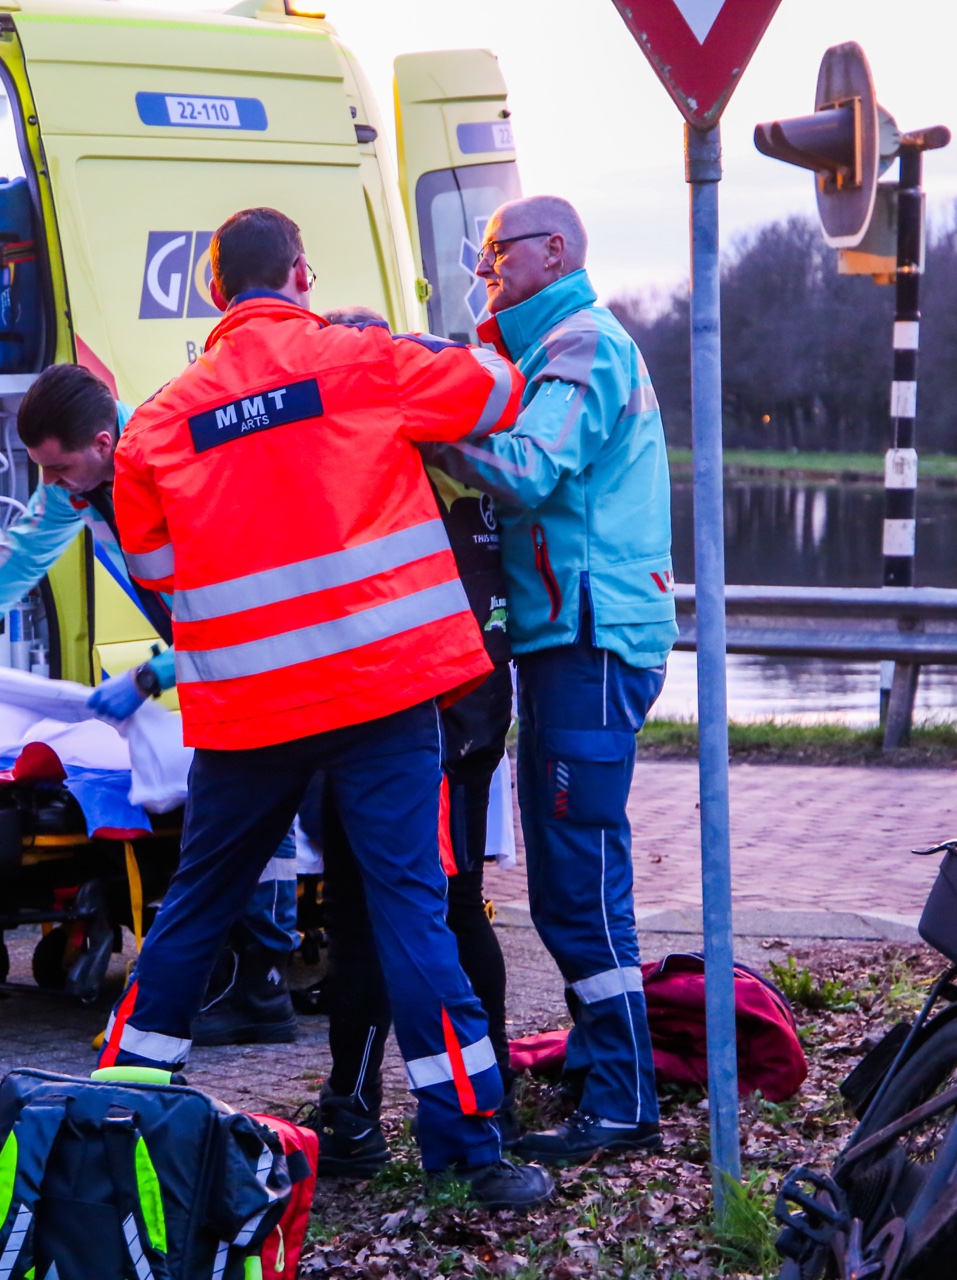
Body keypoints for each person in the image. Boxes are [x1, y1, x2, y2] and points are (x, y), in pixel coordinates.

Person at [102, 206, 554, 1209]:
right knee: (411, 907)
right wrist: (415, 337)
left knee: (197, 905)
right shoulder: (361, 361)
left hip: (248, 707)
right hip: (380, 690)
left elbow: (156, 567)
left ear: (214, 291)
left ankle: (113, 1118)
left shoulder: (161, 421)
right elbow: (495, 392)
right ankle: (471, 1152)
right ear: (300, 273)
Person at [0, 365, 300, 1046]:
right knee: (229, 805)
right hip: (208, 649)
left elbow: (239, 587)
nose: (52, 484)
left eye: (60, 468)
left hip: (255, 642)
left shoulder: (179, 463)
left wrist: (154, 675)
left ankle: (261, 981)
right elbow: (27, 555)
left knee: (251, 805)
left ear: (105, 442)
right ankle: (249, 976)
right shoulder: (84, 485)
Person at [424, 194, 677, 1165]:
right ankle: (605, 1067)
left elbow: (529, 469)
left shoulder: (580, 346)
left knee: (576, 882)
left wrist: (429, 438)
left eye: (496, 255)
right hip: (573, 634)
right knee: (573, 873)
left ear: (553, 250)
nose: (485, 272)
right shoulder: (550, 348)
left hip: (592, 635)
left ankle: (620, 1095)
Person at [307, 306, 519, 1177]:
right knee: (403, 916)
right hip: (437, 725)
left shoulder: (397, 479)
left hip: (419, 731)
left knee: (408, 921)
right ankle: (382, 1102)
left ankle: (389, 1109)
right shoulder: (458, 464)